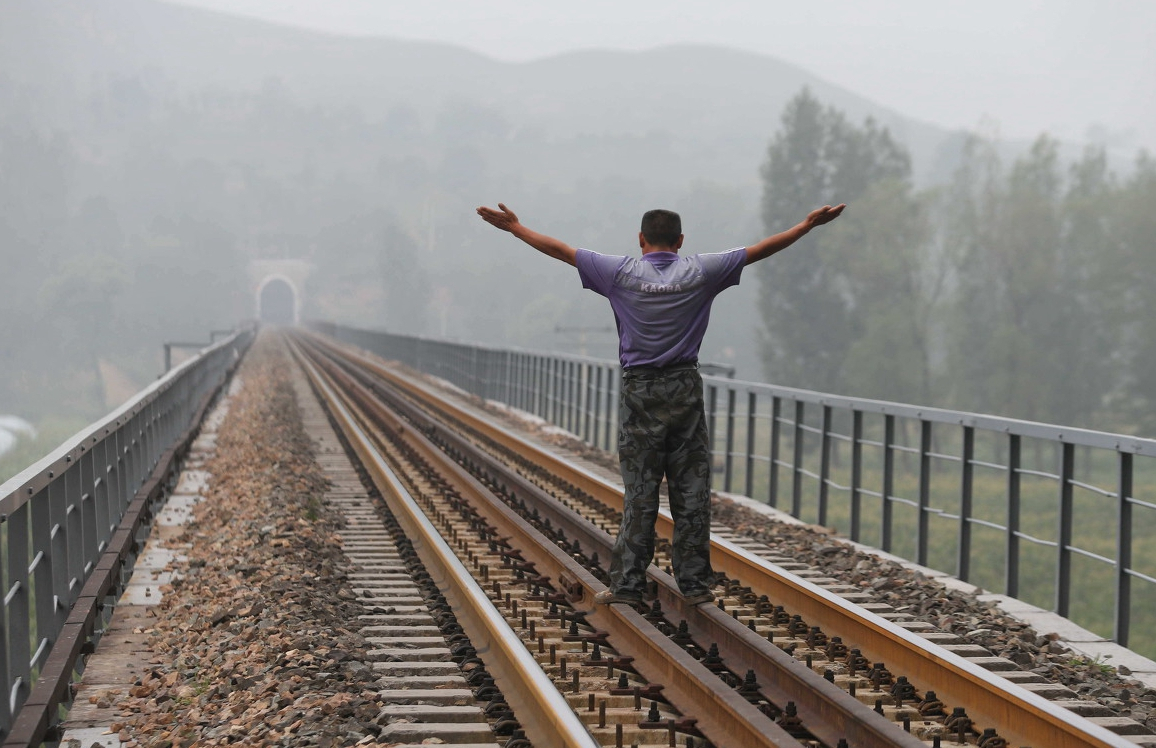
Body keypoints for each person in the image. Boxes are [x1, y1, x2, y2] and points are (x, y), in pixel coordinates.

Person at [476, 201, 845, 606]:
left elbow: (561, 250)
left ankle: (628, 585)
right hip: (685, 388)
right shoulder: (702, 271)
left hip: (640, 391)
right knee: (691, 489)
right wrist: (806, 225)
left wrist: (516, 228)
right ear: (680, 240)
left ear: (641, 239)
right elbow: (760, 249)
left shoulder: (618, 272)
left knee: (641, 491)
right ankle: (694, 585)